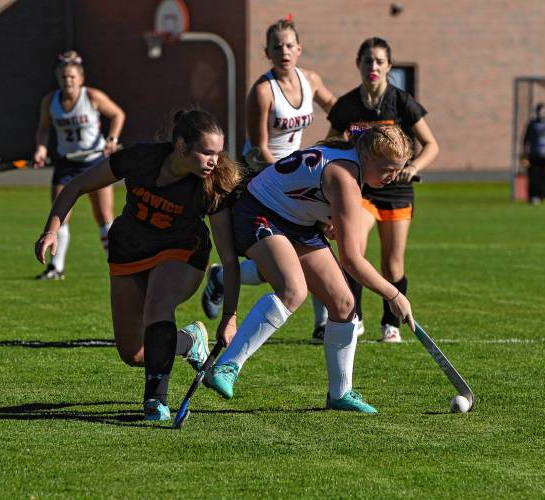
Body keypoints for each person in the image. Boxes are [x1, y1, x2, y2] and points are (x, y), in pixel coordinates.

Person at [34, 109, 241, 421]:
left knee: (158, 303)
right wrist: (51, 231)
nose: (214, 160)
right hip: (129, 250)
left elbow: (228, 259)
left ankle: (155, 401)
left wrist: (230, 315)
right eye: (206, 152)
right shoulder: (141, 158)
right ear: (182, 146)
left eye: (217, 152)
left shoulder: (214, 185)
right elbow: (76, 185)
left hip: (182, 251)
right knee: (134, 353)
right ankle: (189, 341)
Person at [203, 124, 416, 414]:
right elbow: (352, 260)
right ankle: (227, 367)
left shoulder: (352, 164)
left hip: (298, 222)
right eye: (388, 169)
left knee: (344, 304)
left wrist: (322, 218)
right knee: (293, 290)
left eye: (398, 170)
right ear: (366, 156)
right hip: (260, 211)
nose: (393, 178)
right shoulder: (345, 178)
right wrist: (394, 295)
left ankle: (340, 394)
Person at [201, 17, 336, 336]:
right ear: (267, 52)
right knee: (275, 262)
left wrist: (333, 143)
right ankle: (220, 278)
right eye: (277, 47)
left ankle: (322, 324)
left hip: (295, 178)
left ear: (299, 49)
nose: (284, 51)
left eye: (290, 45)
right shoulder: (262, 91)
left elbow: (338, 109)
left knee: (313, 242)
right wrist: (293, 177)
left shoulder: (311, 80)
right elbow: (259, 147)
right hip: (262, 177)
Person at [324, 37, 439, 343]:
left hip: (397, 190)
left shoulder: (401, 101)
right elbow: (330, 142)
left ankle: (391, 324)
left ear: (389, 66)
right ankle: (355, 317)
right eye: (367, 61)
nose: (373, 67)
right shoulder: (347, 105)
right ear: (358, 64)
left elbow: (431, 145)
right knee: (353, 249)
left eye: (379, 61)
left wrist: (413, 168)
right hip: (361, 189)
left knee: (392, 263)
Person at [33, 51, 126, 280]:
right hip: (67, 164)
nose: (68, 80)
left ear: (81, 79)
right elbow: (44, 128)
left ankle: (117, 265)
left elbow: (117, 115)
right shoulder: (50, 102)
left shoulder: (92, 96)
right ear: (59, 78)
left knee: (104, 215)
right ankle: (56, 268)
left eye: (72, 77)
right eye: (64, 76)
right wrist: (41, 148)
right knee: (60, 214)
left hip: (95, 162)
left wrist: (112, 139)